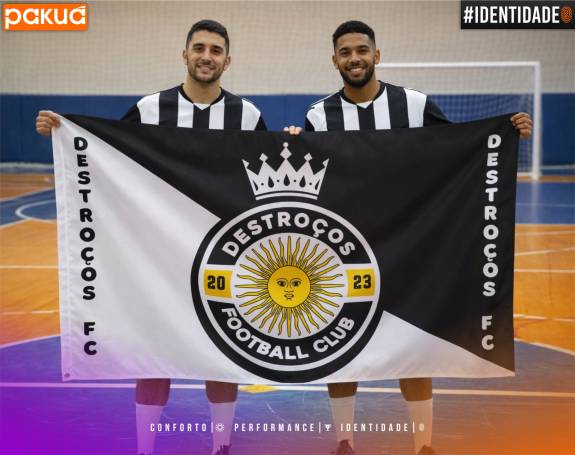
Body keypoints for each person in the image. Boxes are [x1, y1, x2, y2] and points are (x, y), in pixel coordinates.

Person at [286, 20, 532, 455]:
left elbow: (456, 150)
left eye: (362, 50)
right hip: (347, 249)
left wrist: (505, 132)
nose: (354, 58)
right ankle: (344, 441)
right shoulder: (319, 116)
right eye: (345, 52)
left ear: (376, 55)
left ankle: (423, 445)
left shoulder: (414, 104)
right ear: (334, 60)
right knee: (341, 346)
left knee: (412, 347)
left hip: (411, 244)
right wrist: (293, 143)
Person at [36, 19, 266, 455]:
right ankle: (145, 449)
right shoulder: (149, 108)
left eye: (216, 50)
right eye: (199, 48)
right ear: (185, 54)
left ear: (227, 61)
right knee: (154, 354)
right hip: (157, 255)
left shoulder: (248, 117)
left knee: (220, 355)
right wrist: (63, 132)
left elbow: (262, 176)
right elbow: (106, 154)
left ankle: (221, 447)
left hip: (220, 255)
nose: (206, 56)